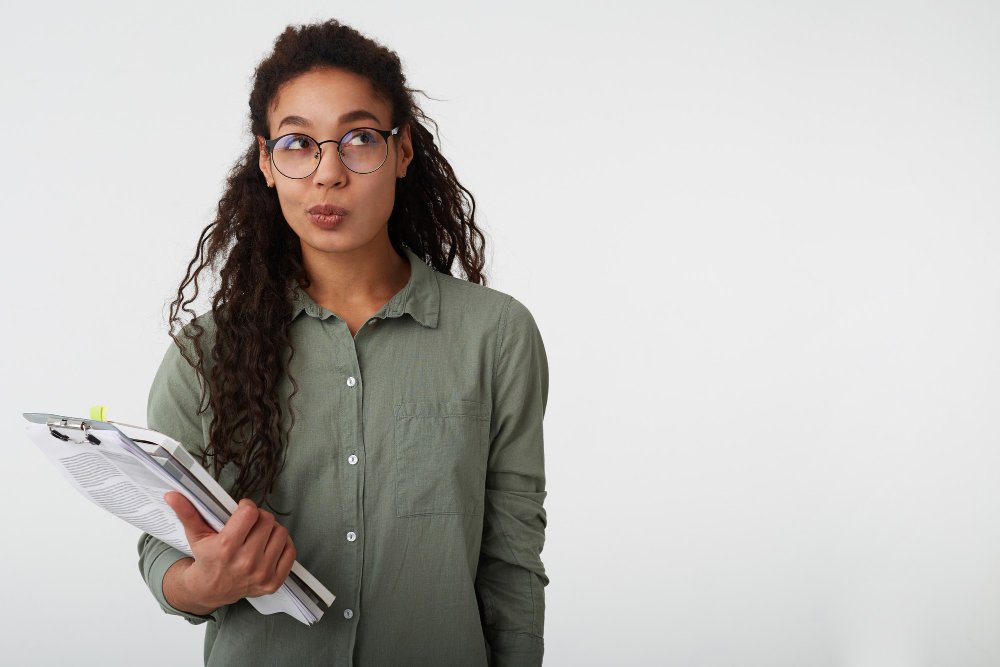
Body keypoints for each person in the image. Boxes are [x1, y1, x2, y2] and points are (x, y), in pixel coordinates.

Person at [136, 19, 549, 667]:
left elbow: (512, 560)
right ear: (268, 162)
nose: (328, 173)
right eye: (299, 143)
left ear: (404, 149)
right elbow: (161, 547)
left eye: (359, 137)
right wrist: (205, 581)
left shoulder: (496, 336)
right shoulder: (204, 351)